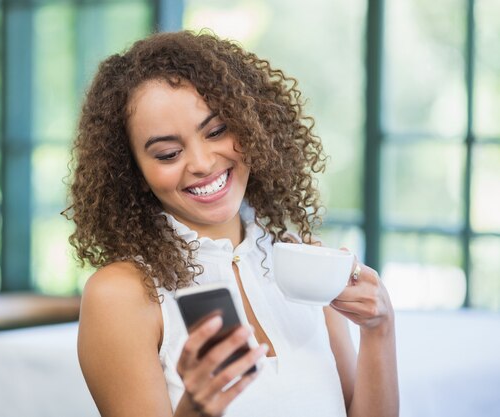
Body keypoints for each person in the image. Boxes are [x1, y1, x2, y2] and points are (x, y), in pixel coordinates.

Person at [67, 30, 398, 417]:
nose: (203, 164)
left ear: (249, 125)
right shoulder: (121, 295)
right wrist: (197, 408)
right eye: (169, 153)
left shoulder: (300, 256)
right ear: (134, 173)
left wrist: (380, 328)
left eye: (217, 131)